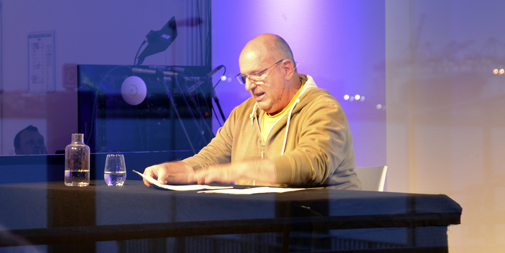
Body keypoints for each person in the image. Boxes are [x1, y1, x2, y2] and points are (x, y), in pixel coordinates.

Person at [143, 34, 361, 189]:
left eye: (257, 74)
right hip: (261, 224)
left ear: (286, 69)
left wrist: (237, 170)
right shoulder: (243, 113)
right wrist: (171, 170)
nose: (249, 86)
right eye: (245, 77)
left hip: (322, 230)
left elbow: (312, 165)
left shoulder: (323, 108)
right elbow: (210, 158)